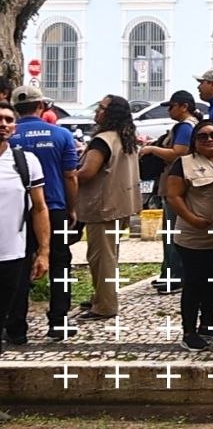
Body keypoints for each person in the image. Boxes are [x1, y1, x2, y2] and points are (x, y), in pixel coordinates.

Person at [9, 86, 78, 342]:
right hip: (55, 208)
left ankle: (16, 326)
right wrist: (72, 207)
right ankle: (59, 321)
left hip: (18, 212)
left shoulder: (9, 135)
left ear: (15, 109)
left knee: (19, 264)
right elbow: (70, 176)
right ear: (41, 106)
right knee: (60, 263)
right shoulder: (62, 135)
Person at [165, 120, 213, 352]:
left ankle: (207, 324)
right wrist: (192, 218)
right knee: (194, 283)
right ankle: (189, 332)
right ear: (194, 141)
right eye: (202, 136)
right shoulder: (183, 163)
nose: (209, 139)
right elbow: (173, 196)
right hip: (194, 237)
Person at [75, 95, 142, 321]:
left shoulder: (102, 140)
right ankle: (102, 296)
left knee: (101, 258)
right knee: (109, 255)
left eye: (101, 108)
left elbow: (87, 173)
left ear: (111, 113)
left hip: (102, 206)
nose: (97, 111)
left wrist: (68, 177)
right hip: (121, 205)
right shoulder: (125, 137)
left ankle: (104, 305)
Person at [0, 101, 50, 353]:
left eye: (9, 120)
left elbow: (39, 208)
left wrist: (43, 252)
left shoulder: (26, 162)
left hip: (12, 254)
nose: (3, 124)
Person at [140, 89, 198, 295]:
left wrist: (152, 150)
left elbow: (178, 153)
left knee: (173, 232)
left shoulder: (185, 127)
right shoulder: (190, 125)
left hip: (175, 183)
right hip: (178, 182)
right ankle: (169, 272)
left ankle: (174, 275)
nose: (169, 111)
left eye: (172, 106)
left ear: (184, 106)